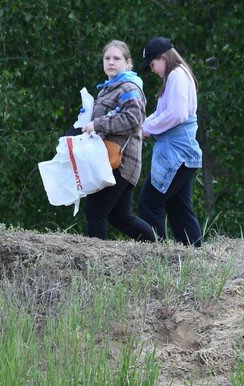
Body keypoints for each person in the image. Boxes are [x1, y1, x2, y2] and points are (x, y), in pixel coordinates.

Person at [80, 40, 156, 241]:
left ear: (128, 63)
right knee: (120, 217)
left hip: (120, 162)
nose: (111, 62)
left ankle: (95, 266)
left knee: (95, 212)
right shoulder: (108, 88)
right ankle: (160, 249)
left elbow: (133, 120)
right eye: (107, 58)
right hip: (110, 160)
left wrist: (98, 124)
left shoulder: (128, 87)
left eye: (116, 58)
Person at [136, 37, 204, 247]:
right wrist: (142, 125)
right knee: (179, 208)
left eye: (152, 64)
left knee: (149, 203)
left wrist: (146, 129)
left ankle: (157, 254)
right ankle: (195, 254)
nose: (153, 70)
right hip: (183, 154)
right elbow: (163, 112)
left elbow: (177, 114)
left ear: (163, 58)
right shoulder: (180, 75)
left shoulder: (176, 75)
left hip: (176, 154)